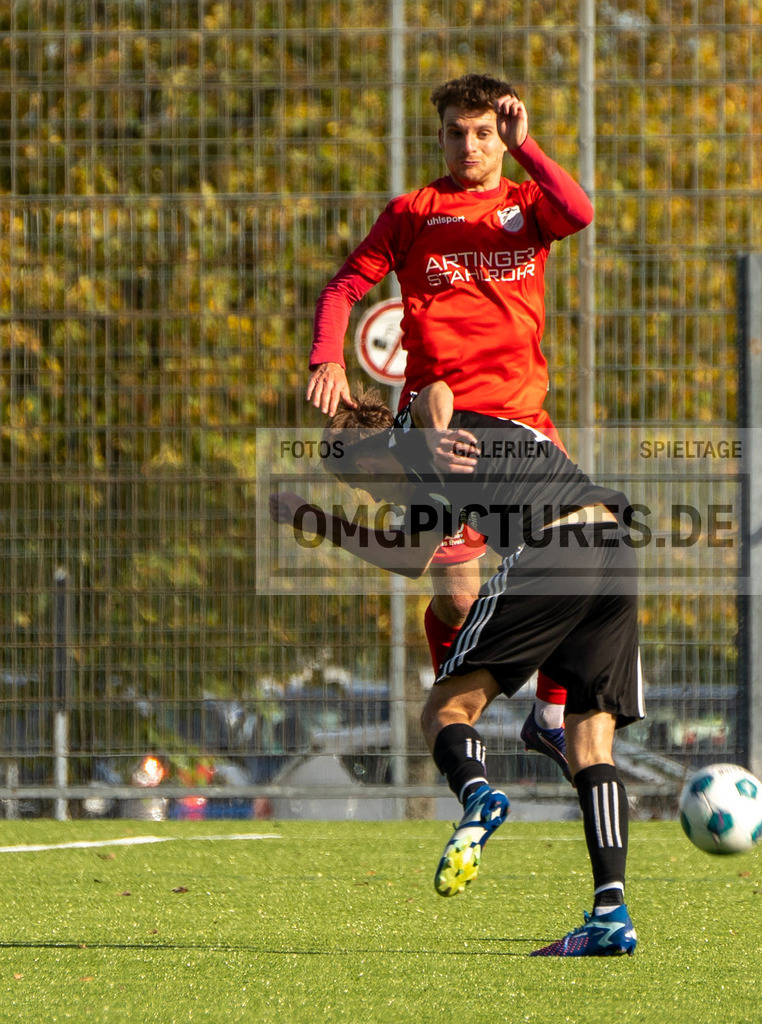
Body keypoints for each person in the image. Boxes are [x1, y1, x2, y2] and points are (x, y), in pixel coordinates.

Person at [270, 382, 643, 957]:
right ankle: (610, 915)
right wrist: (317, 521)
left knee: (444, 709)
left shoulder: (411, 436)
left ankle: (477, 796)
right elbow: (407, 556)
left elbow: (432, 390)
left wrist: (436, 432)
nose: (362, 493)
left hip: (555, 546)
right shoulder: (429, 481)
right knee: (590, 742)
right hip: (613, 544)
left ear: (364, 454)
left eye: (354, 480)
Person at [304, 73, 595, 782]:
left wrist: (530, 151)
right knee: (458, 596)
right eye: (456, 132)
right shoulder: (413, 211)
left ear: (503, 137)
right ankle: (456, 714)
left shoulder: (528, 205)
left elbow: (579, 211)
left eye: (484, 133)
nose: (470, 145)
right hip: (436, 428)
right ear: (439, 136)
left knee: (580, 565)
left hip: (522, 421)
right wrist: (327, 358)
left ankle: (549, 718)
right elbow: (345, 286)